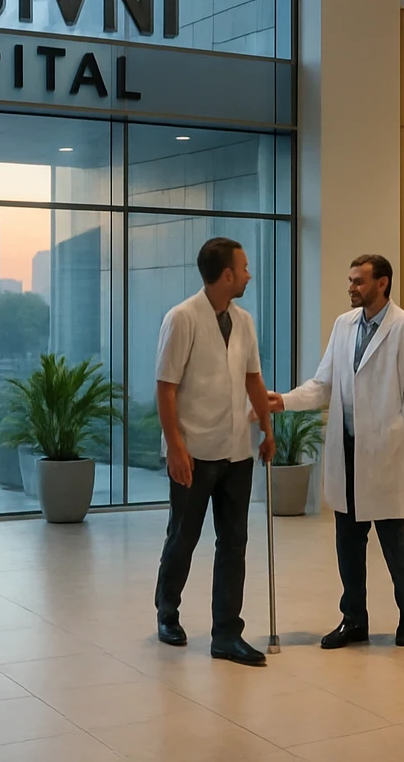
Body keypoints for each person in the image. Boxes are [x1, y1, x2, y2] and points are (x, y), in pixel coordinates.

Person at [269, 254, 404, 649]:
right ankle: (353, 619)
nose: (351, 288)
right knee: (348, 543)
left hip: (383, 454)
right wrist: (284, 401)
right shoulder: (343, 327)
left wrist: (387, 434)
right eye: (350, 280)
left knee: (394, 543)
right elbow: (323, 384)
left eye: (358, 281)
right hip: (346, 451)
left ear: (382, 283)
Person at [153, 237, 276, 667]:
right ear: (226, 275)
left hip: (236, 451)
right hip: (195, 450)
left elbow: (253, 381)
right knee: (184, 536)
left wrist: (267, 429)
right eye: (243, 268)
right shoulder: (182, 318)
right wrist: (175, 448)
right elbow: (165, 389)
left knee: (234, 542)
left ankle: (226, 633)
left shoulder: (243, 320)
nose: (248, 274)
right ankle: (167, 612)